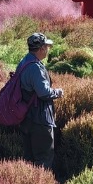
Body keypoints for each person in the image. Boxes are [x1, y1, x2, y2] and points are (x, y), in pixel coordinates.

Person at [18, 33, 63, 169]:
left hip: (26, 117)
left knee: (30, 159)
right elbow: (43, 93)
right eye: (47, 46)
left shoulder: (24, 62)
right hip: (40, 119)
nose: (48, 49)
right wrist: (57, 92)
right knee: (44, 158)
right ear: (41, 48)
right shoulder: (35, 68)